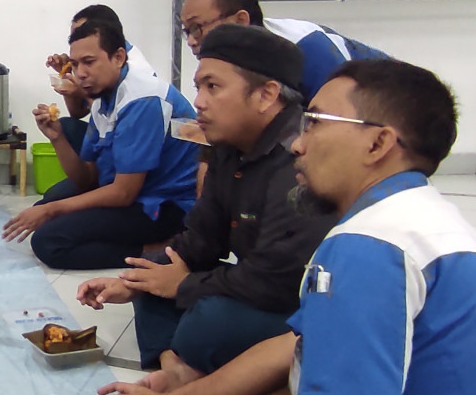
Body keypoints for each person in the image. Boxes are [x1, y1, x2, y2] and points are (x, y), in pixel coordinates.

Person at [98, 59, 476, 395]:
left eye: (315, 123)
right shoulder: (425, 218)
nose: (298, 144)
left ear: (378, 143)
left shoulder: (367, 247)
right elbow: (296, 343)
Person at [76, 25, 335, 386]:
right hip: (257, 281)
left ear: (266, 95)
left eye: (213, 87)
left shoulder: (298, 160)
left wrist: (185, 285)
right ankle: (176, 368)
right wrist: (135, 283)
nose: (198, 101)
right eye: (199, 87)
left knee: (208, 319)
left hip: (296, 300)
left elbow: (276, 281)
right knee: (151, 274)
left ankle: (185, 366)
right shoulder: (229, 145)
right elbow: (201, 238)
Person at [4, 20, 199, 270]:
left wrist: (53, 210)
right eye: (75, 64)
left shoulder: (142, 100)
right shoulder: (102, 97)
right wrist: (57, 138)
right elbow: (87, 180)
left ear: (118, 57)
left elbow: (123, 193)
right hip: (137, 193)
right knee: (43, 212)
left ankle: (156, 249)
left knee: (49, 241)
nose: (80, 73)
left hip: (165, 206)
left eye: (89, 62)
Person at [181, 0, 390, 101]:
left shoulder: (309, 49)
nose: (190, 41)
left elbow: (342, 125)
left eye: (197, 28)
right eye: (186, 31)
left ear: (240, 20)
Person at [46, 4, 157, 122]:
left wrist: (83, 93)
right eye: (73, 36)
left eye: (82, 33)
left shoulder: (135, 76)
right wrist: (67, 74)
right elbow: (78, 112)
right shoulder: (98, 59)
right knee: (65, 125)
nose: (76, 41)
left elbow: (111, 123)